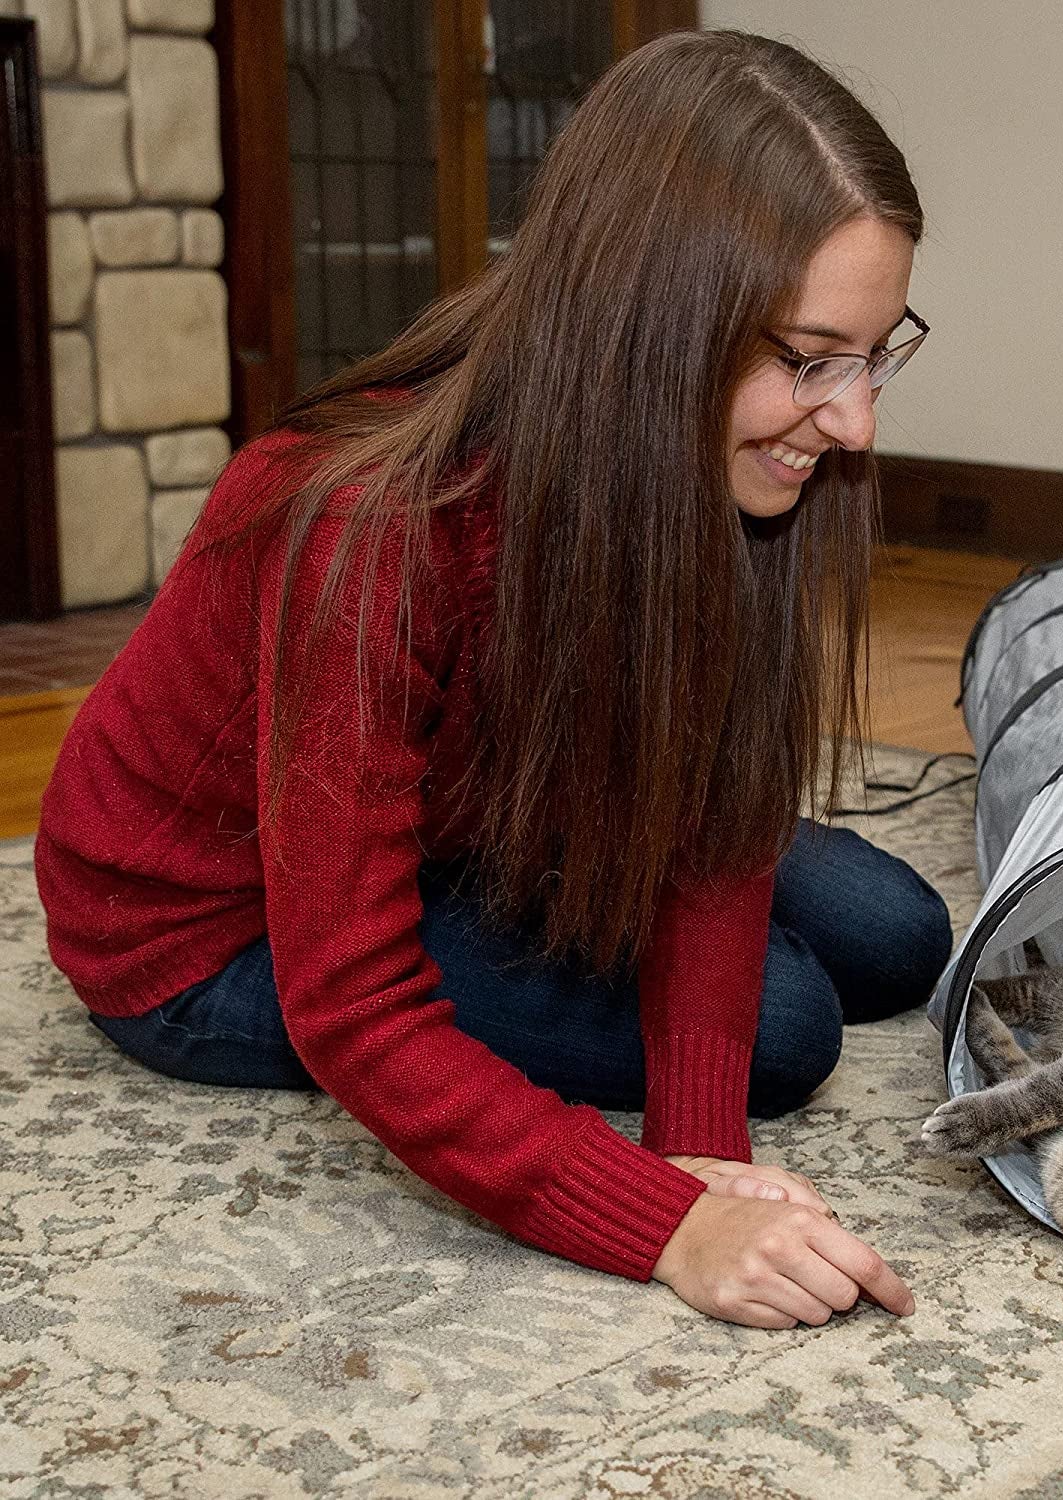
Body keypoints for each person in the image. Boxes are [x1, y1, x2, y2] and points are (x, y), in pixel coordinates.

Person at [34, 28, 951, 1330]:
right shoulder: (375, 528)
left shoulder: (715, 467)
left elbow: (718, 806)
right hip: (199, 928)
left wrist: (699, 1139)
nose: (856, 420)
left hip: (455, 820)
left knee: (896, 928)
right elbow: (354, 1003)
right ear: (650, 326)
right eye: (812, 359)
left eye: (875, 352)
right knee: (791, 1019)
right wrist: (670, 1219)